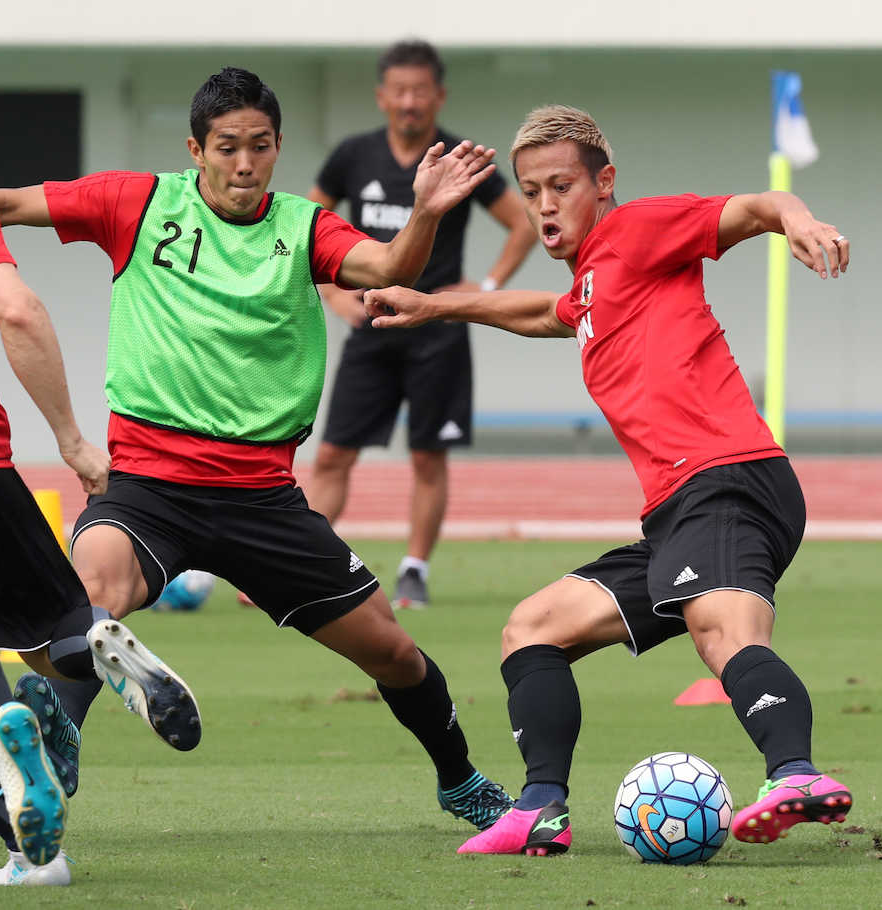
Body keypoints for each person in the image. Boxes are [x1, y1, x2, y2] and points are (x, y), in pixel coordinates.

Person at [0, 66, 514, 833]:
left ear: (277, 148)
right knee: (91, 599)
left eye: (260, 147)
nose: (244, 163)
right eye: (227, 147)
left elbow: (393, 267)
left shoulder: (303, 228)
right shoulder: (134, 201)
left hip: (262, 499)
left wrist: (426, 212)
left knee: (395, 655)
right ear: (195, 149)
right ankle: (58, 739)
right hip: (147, 483)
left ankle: (460, 778)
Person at [363, 104, 854, 856]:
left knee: (720, 633)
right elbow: (543, 312)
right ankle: (540, 808)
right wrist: (433, 303)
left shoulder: (641, 229)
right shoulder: (591, 283)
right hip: (675, 511)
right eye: (531, 192)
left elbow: (757, 207)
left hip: (727, 479)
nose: (545, 204)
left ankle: (794, 774)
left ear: (605, 183)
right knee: (532, 630)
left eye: (561, 185)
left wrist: (801, 222)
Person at [0, 35, 201, 885]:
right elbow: (18, 310)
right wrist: (74, 440)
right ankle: (94, 646)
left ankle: (26, 833)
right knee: (50, 628)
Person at [305, 40, 535, 609]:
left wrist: (484, 288)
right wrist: (335, 295)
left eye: (420, 91)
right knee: (333, 453)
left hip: (438, 331)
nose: (410, 102)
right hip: (373, 329)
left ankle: (414, 570)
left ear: (439, 95)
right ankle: (302, 562)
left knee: (428, 458)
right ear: (382, 96)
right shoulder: (352, 156)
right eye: (399, 91)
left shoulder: (461, 157)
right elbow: (307, 223)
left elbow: (523, 224)